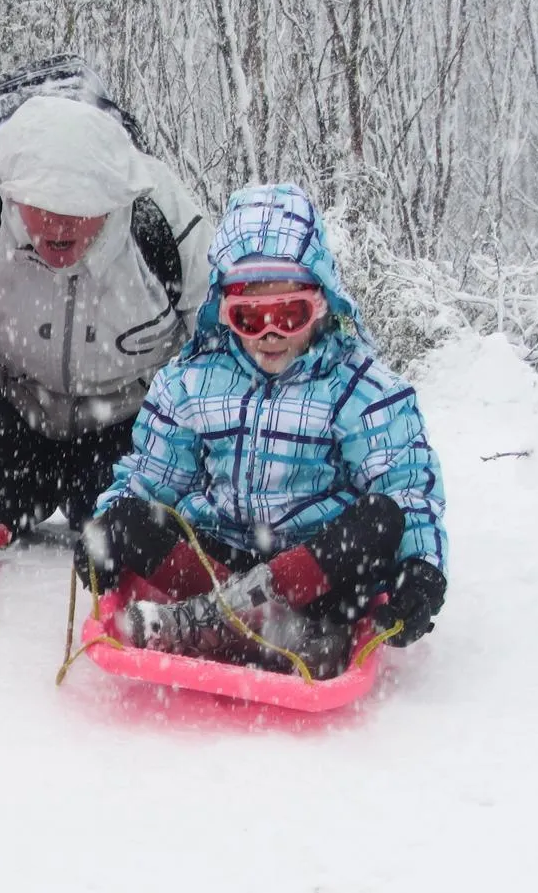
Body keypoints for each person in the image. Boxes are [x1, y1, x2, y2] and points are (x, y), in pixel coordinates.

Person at [74, 184, 448, 677]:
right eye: (249, 318)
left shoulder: (360, 387)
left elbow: (406, 485)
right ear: (224, 313)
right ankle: (259, 625)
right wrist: (105, 531)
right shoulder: (193, 382)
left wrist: (421, 568)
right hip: (214, 560)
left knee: (381, 520)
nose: (270, 335)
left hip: (315, 572)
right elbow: (151, 476)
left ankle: (210, 624)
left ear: (321, 304)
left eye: (289, 314)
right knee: (125, 518)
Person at [0, 95, 214, 533]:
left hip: (127, 430)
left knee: (136, 533)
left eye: (80, 207)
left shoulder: (163, 223)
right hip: (11, 418)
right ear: (11, 193)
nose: (61, 224)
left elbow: (229, 350)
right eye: (44, 205)